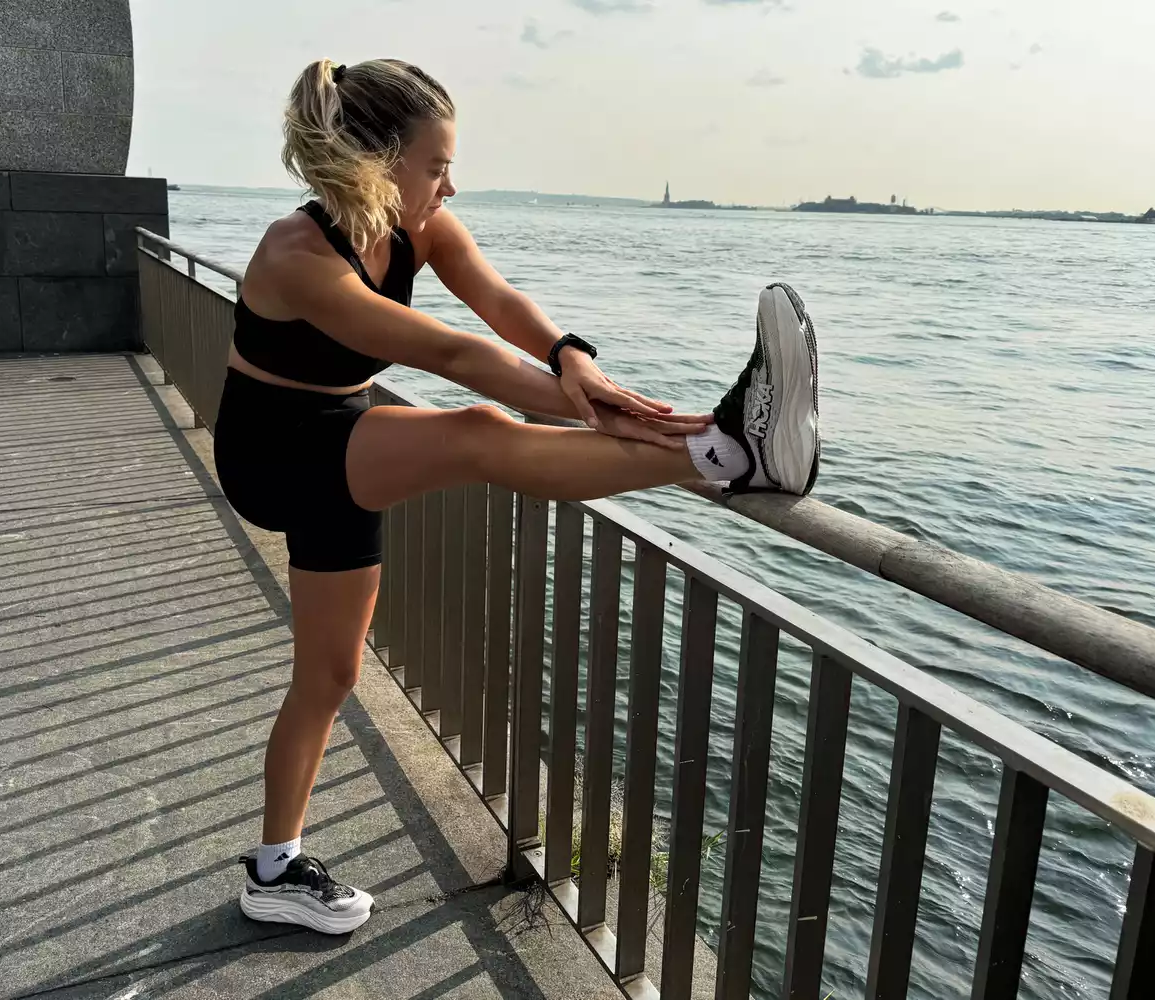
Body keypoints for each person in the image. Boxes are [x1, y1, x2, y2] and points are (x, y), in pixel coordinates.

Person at [213, 57, 821, 934]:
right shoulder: (297, 256)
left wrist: (573, 355)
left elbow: (498, 303)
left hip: (345, 437)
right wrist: (623, 412)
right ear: (375, 163)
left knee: (331, 672)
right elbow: (456, 355)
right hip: (274, 450)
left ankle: (273, 871)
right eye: (435, 165)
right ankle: (722, 449)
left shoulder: (421, 225)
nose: (451, 183)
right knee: (476, 429)